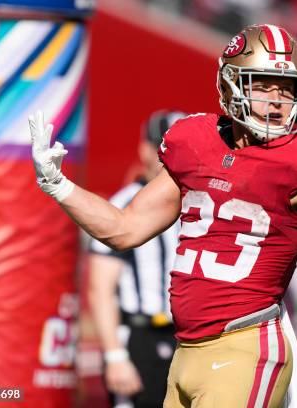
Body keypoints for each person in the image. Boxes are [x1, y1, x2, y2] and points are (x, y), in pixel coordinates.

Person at [29, 24, 297, 407]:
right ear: (231, 84)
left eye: (288, 88)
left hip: (246, 346)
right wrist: (59, 186)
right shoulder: (194, 143)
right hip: (185, 352)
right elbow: (124, 230)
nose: (278, 102)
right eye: (264, 85)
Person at [88, 111, 185, 408]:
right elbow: (99, 288)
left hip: (189, 339)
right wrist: (115, 356)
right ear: (145, 149)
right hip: (141, 337)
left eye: (179, 151)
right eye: (163, 149)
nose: (169, 159)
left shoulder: (201, 203)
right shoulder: (123, 204)